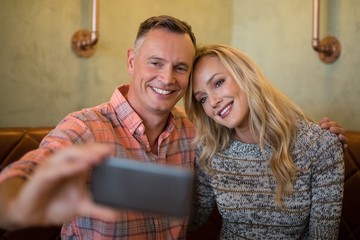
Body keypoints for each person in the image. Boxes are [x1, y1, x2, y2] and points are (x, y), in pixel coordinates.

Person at [0, 16, 346, 239]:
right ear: (132, 62)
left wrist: (321, 138)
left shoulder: (196, 134)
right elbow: (32, 168)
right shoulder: (86, 127)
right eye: (155, 63)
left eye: (180, 67)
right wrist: (14, 205)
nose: (167, 78)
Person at [184, 44, 344, 239]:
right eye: (202, 99)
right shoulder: (209, 151)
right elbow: (191, 221)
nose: (213, 102)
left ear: (244, 75)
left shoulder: (319, 145)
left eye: (218, 83)